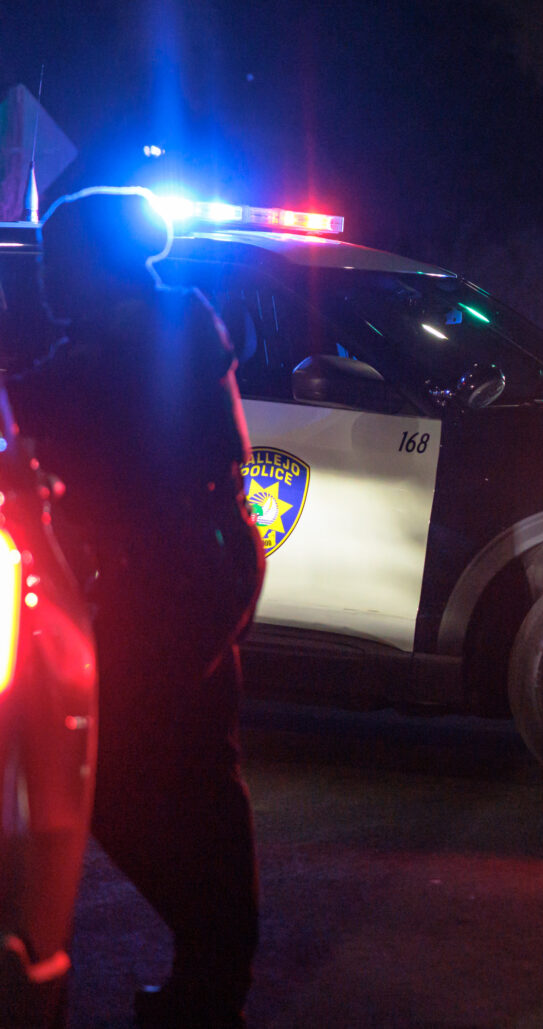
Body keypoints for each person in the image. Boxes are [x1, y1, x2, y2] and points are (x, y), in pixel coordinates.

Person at [8, 187, 265, 1028]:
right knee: (198, 780)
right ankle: (210, 980)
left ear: (92, 266)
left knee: (117, 779)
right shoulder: (171, 328)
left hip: (167, 585)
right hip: (203, 570)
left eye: (55, 262)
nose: (44, 281)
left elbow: (37, 409)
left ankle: (209, 970)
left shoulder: (129, 350)